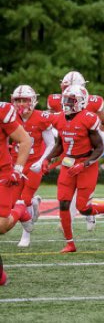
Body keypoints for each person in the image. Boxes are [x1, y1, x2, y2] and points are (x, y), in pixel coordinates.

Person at [46, 85, 104, 253]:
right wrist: (47, 159)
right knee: (63, 203)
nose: (66, 104)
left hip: (86, 164)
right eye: (65, 100)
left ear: (81, 102)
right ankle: (70, 243)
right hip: (68, 164)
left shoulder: (89, 118)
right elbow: (59, 145)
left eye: (71, 101)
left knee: (83, 208)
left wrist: (84, 164)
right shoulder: (59, 118)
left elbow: (100, 148)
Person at [10, 85, 55, 247]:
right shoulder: (10, 117)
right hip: (16, 164)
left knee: (25, 198)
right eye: (18, 100)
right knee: (13, 201)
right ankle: (35, 203)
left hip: (34, 164)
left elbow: (51, 144)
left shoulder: (41, 118)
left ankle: (26, 235)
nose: (21, 104)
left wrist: (42, 160)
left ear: (33, 100)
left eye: (25, 100)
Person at [0, 101, 34, 286]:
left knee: (1, 227)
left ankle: (20, 209)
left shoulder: (2, 111)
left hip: (2, 174)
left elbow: (26, 140)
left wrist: (18, 169)